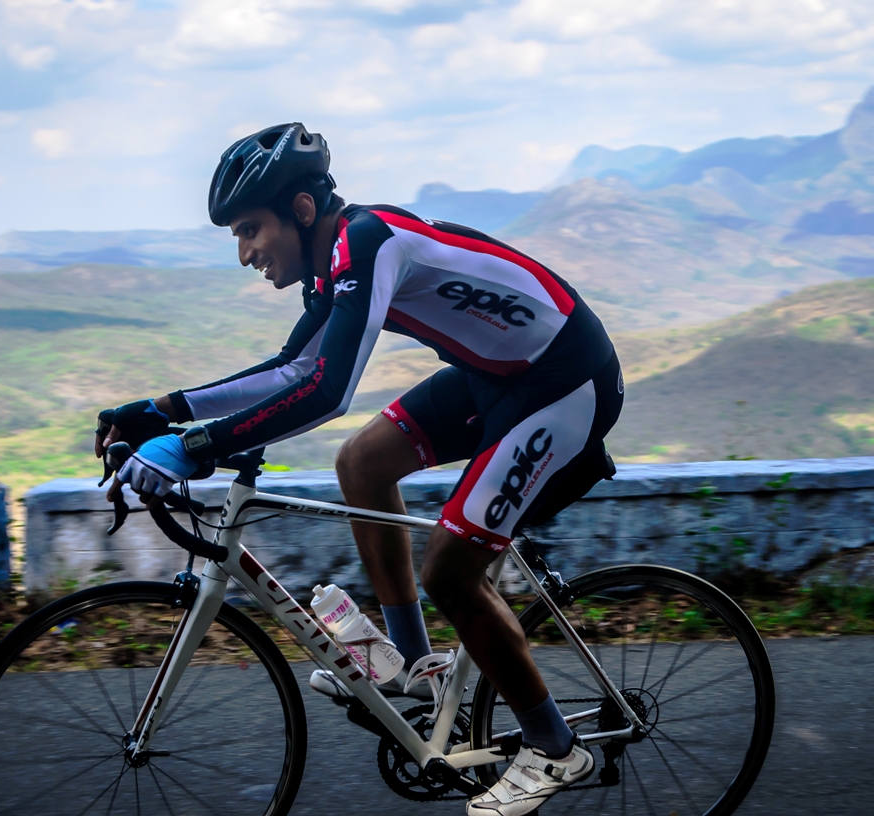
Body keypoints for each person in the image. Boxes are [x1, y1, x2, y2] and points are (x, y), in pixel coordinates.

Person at [96, 123, 622, 816]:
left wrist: (197, 448)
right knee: (363, 462)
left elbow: (326, 391)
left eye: (251, 229)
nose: (246, 252)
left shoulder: (369, 242)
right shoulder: (339, 262)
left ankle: (555, 746)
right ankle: (414, 665)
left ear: (303, 212)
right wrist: (160, 412)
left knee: (449, 570)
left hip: (564, 380)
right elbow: (290, 369)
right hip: (496, 375)